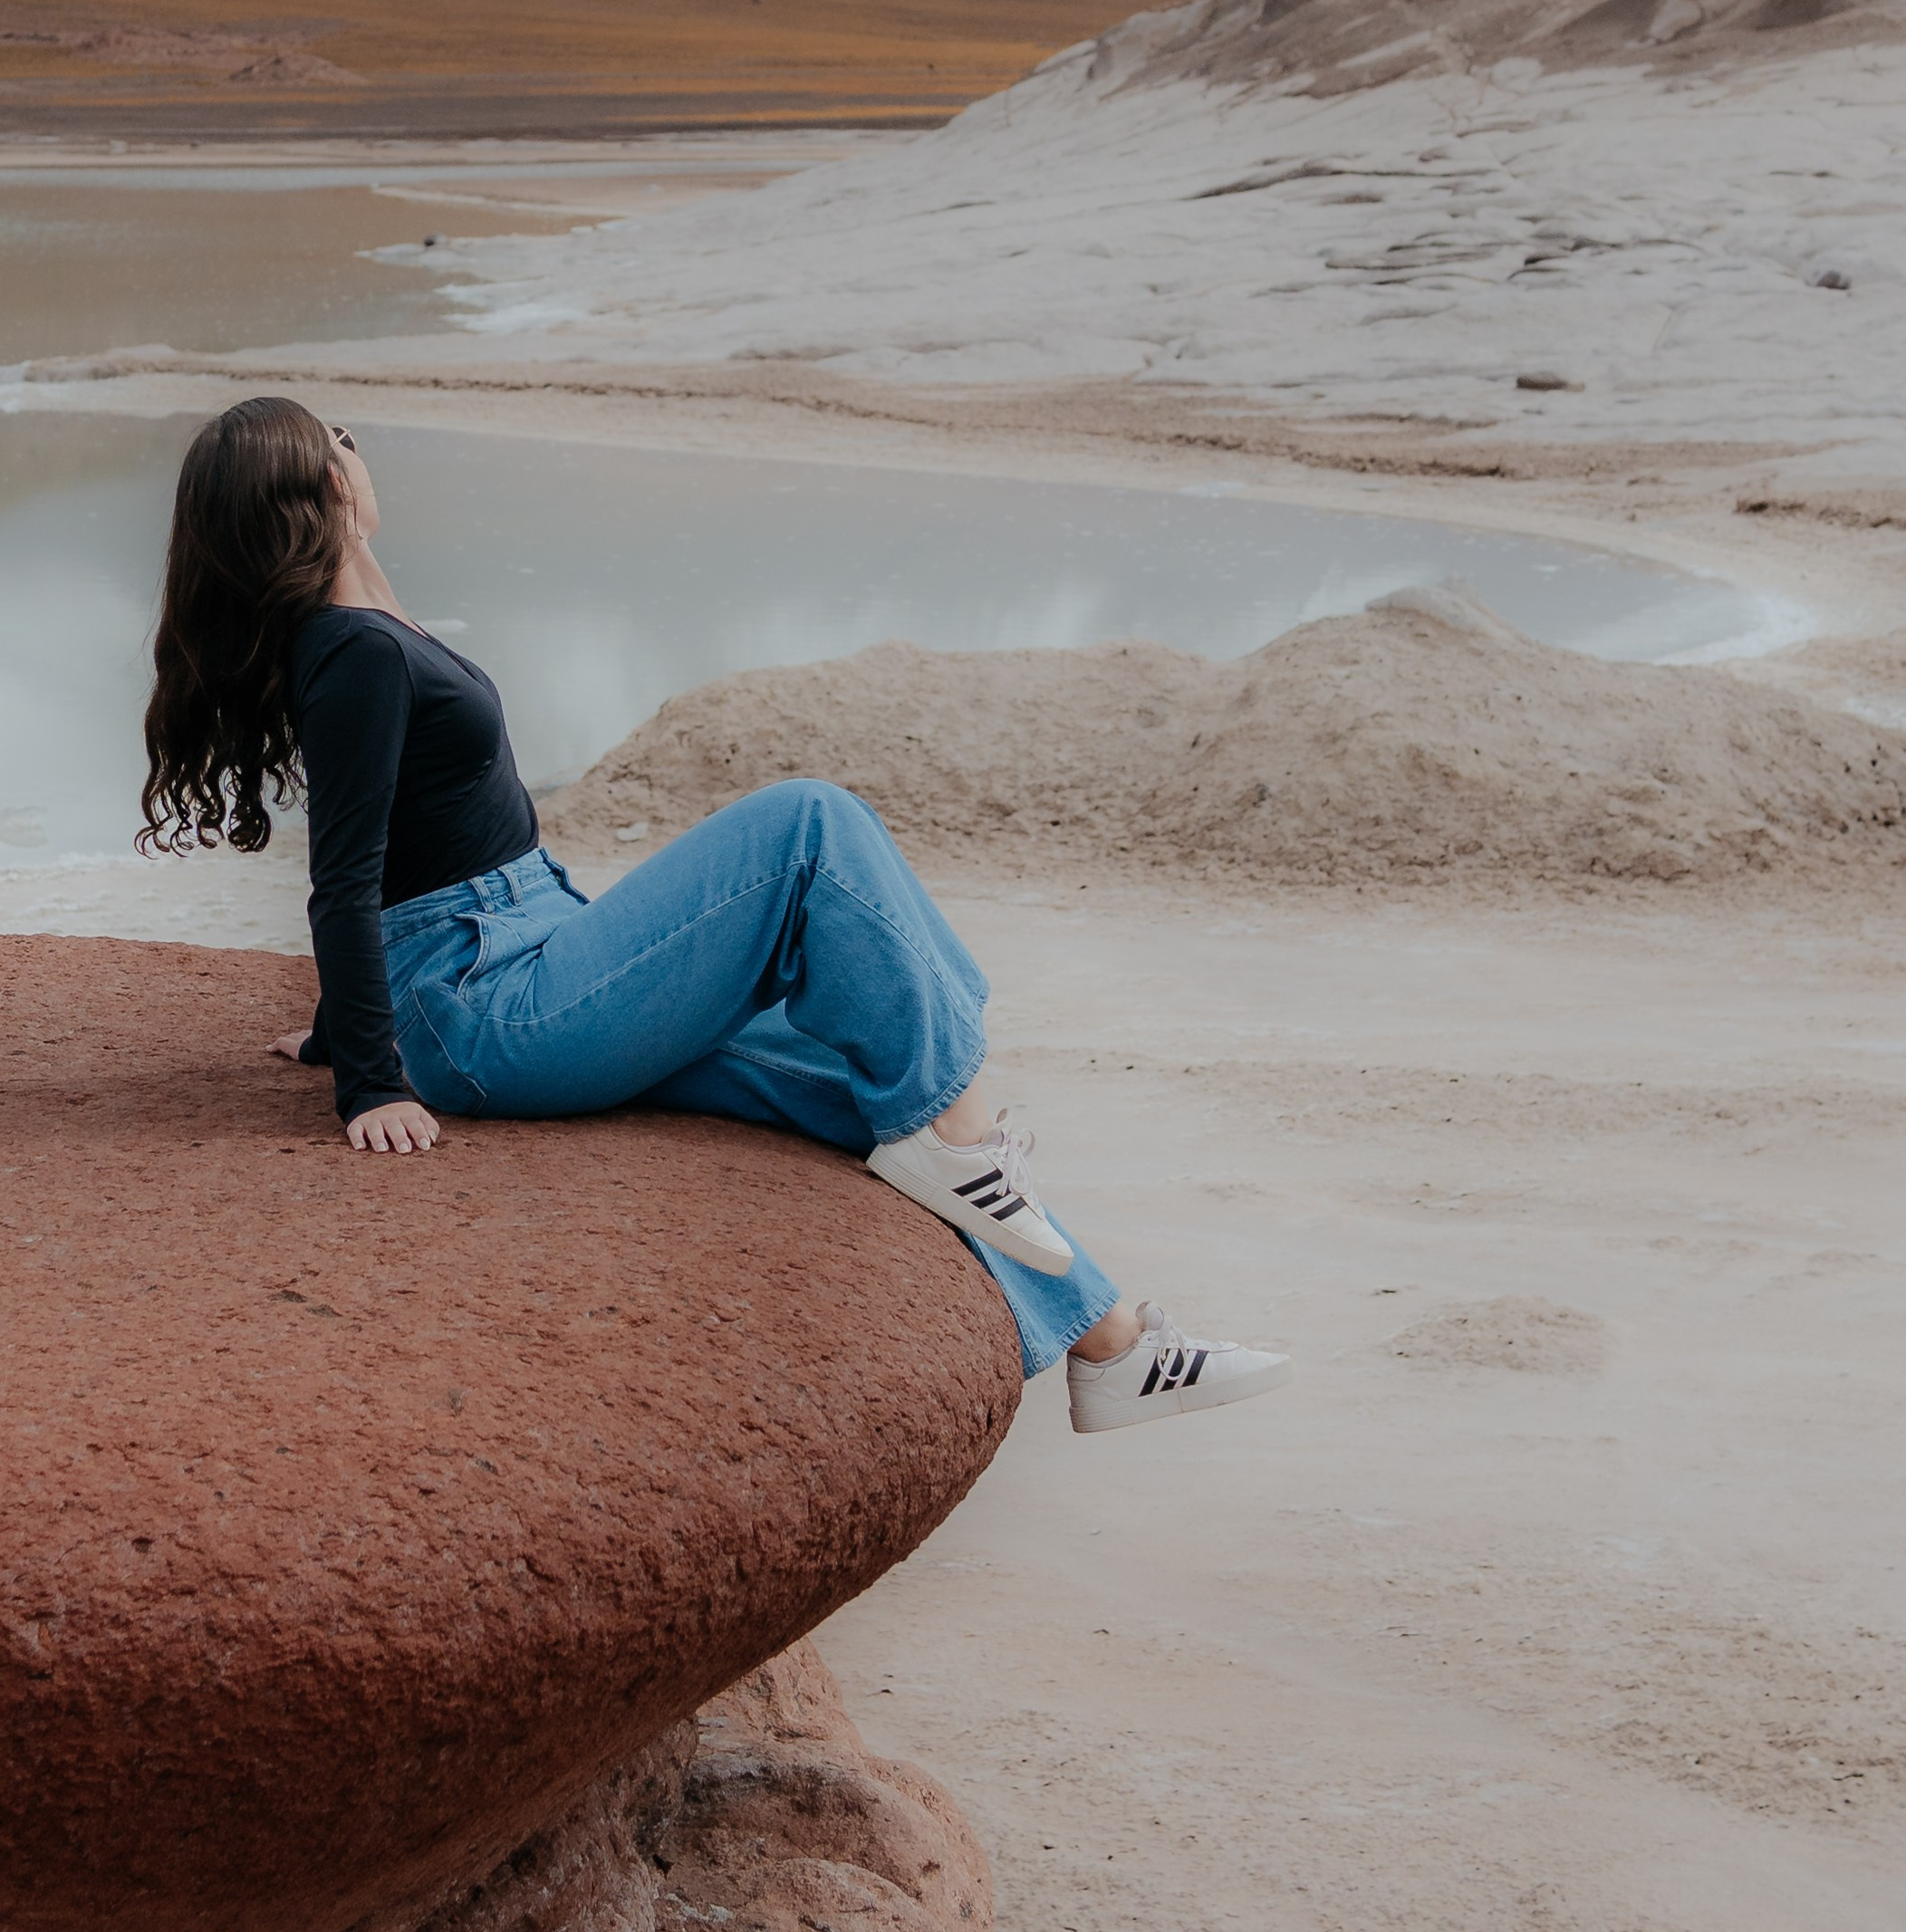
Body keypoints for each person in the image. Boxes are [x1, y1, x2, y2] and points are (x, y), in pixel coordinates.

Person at [140, 394, 1288, 1438]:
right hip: (494, 996)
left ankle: (1109, 1343)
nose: (356, 443)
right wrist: (375, 1076)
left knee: (852, 1086)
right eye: (340, 433)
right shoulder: (352, 653)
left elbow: (393, 865)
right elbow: (346, 876)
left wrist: (353, 1020)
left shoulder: (360, 631)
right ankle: (972, 1144)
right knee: (809, 823)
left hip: (518, 955)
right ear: (317, 485)